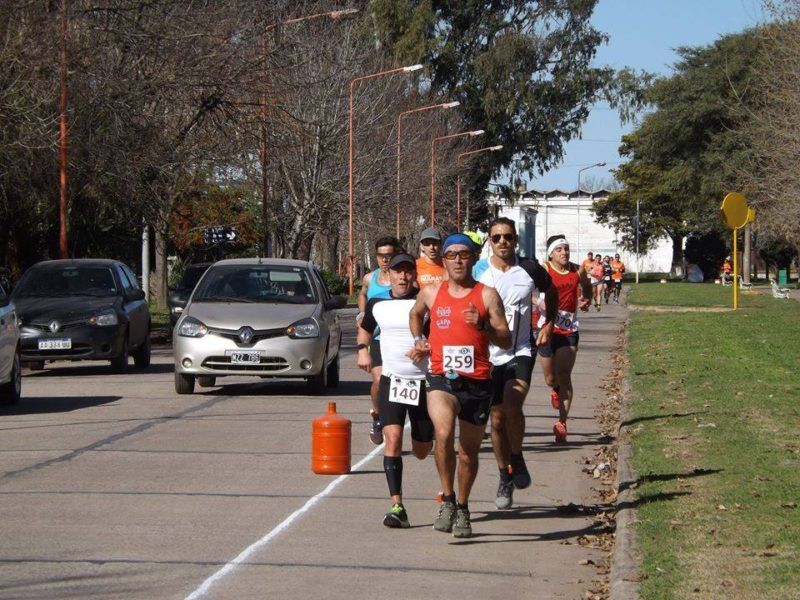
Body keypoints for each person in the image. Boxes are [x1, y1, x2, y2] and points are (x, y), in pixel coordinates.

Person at [409, 233, 511, 538]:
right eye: (451, 255)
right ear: (443, 260)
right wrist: (419, 338)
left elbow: (506, 339)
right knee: (442, 433)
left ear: (473, 258)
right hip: (441, 376)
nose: (457, 260)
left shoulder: (487, 295)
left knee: (468, 452)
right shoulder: (431, 292)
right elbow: (415, 313)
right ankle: (448, 499)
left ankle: (463, 507)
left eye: (463, 254)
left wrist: (483, 326)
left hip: (477, 380)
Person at [473, 217, 558, 510]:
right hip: (488, 354)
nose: (502, 242)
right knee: (496, 419)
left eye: (507, 237)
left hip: (520, 349)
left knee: (512, 404)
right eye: (496, 237)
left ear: (515, 240)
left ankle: (517, 456)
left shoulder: (530, 268)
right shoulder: (478, 271)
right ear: (489, 240)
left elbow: (551, 291)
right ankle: (504, 475)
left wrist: (548, 323)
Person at [357, 254, 433, 528]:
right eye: (397, 271)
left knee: (422, 449)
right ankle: (397, 506)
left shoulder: (426, 302)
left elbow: (442, 335)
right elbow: (365, 330)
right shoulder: (378, 304)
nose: (402, 277)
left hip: (424, 383)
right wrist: (362, 350)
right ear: (389, 275)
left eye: (407, 271)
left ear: (414, 275)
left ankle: (426, 440)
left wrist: (428, 347)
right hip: (393, 381)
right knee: (393, 439)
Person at [534, 235, 592, 443]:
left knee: (564, 374)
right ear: (551, 253)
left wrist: (587, 299)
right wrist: (538, 302)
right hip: (546, 329)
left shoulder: (577, 270)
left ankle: (562, 423)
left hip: (568, 330)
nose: (564, 253)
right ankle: (556, 389)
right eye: (559, 249)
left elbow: (587, 285)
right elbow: (527, 291)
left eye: (566, 249)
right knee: (551, 378)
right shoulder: (544, 269)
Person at [357, 236, 403, 445]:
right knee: (378, 380)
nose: (385, 260)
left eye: (389, 256)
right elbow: (363, 294)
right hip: (378, 337)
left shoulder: (403, 279)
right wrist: (362, 313)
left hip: (400, 338)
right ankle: (377, 416)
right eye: (381, 256)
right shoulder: (370, 278)